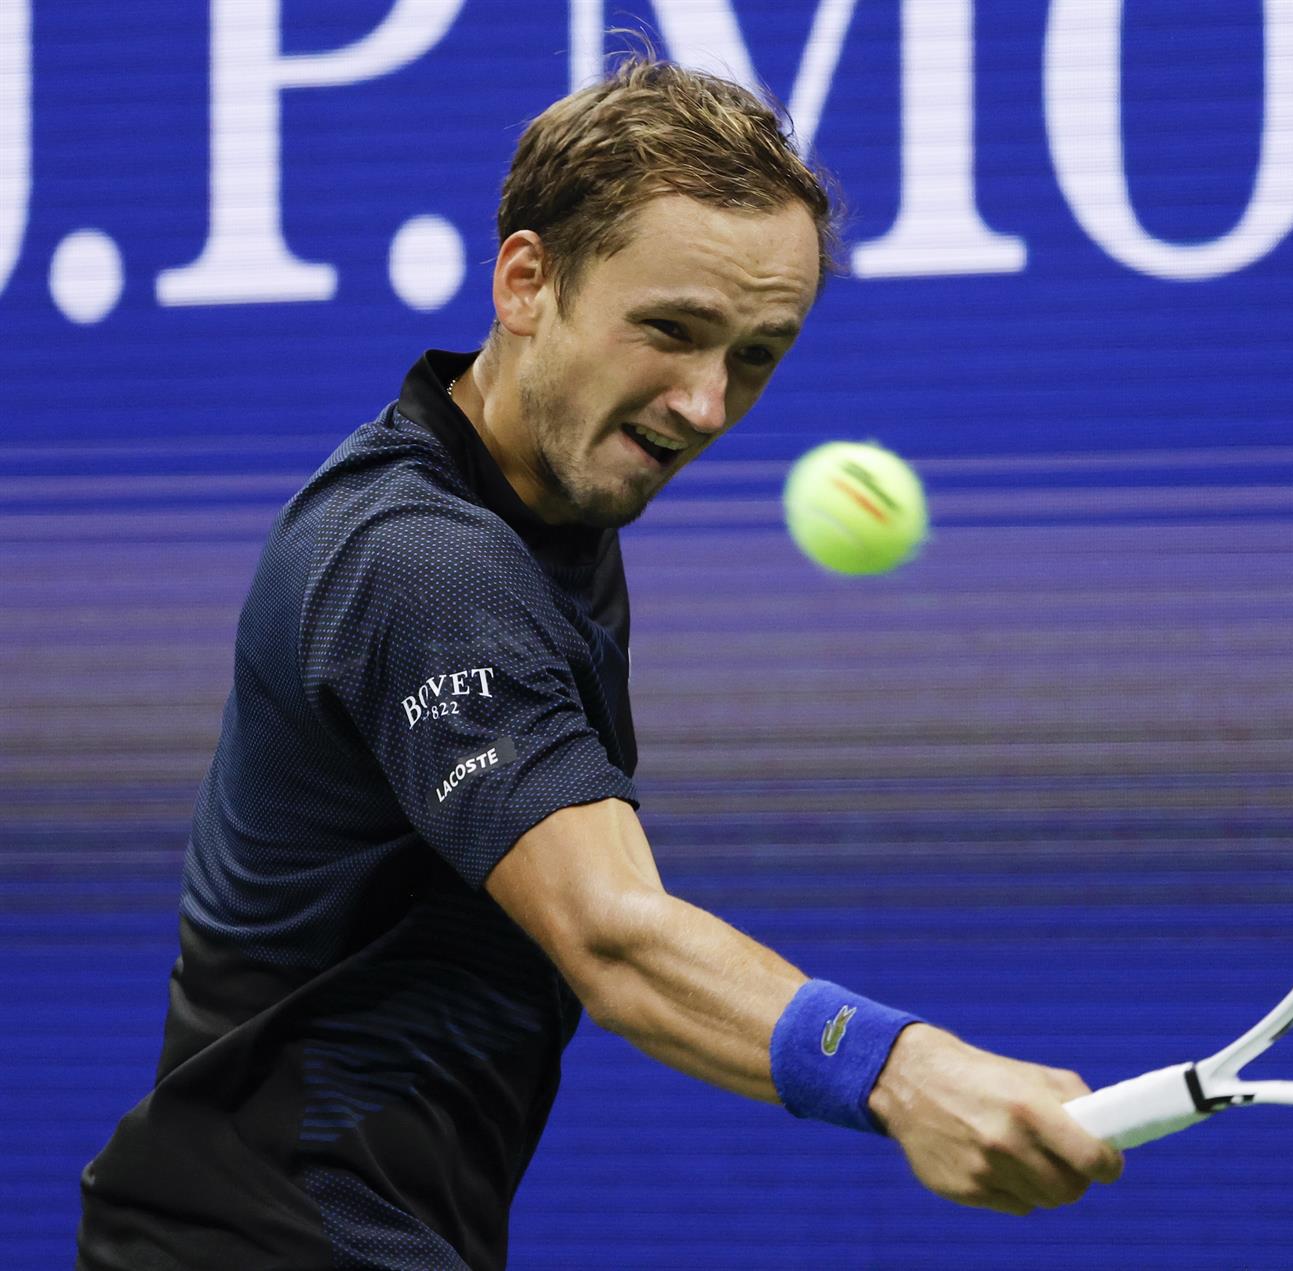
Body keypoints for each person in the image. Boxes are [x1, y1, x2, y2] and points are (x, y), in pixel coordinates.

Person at [77, 56, 1122, 1270]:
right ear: (527, 281)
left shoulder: (547, 505)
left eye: (757, 354)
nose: (705, 403)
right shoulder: (423, 563)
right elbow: (613, 932)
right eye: (671, 331)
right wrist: (900, 1068)